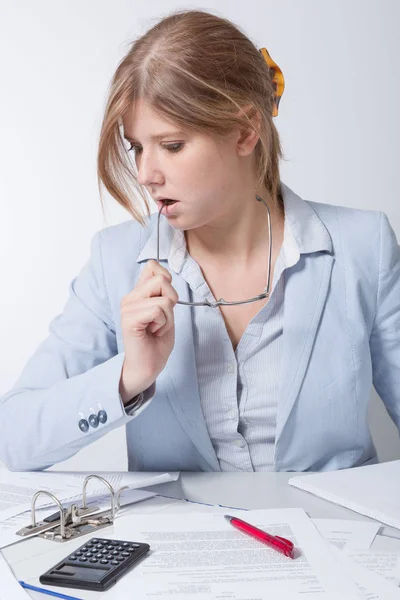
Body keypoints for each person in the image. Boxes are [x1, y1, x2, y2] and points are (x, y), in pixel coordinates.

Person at [1, 9, 399, 473]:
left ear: (246, 131)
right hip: (182, 545)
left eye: (171, 146)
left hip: (335, 540)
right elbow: (13, 435)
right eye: (137, 147)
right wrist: (130, 377)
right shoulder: (116, 262)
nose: (147, 175)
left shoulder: (361, 246)